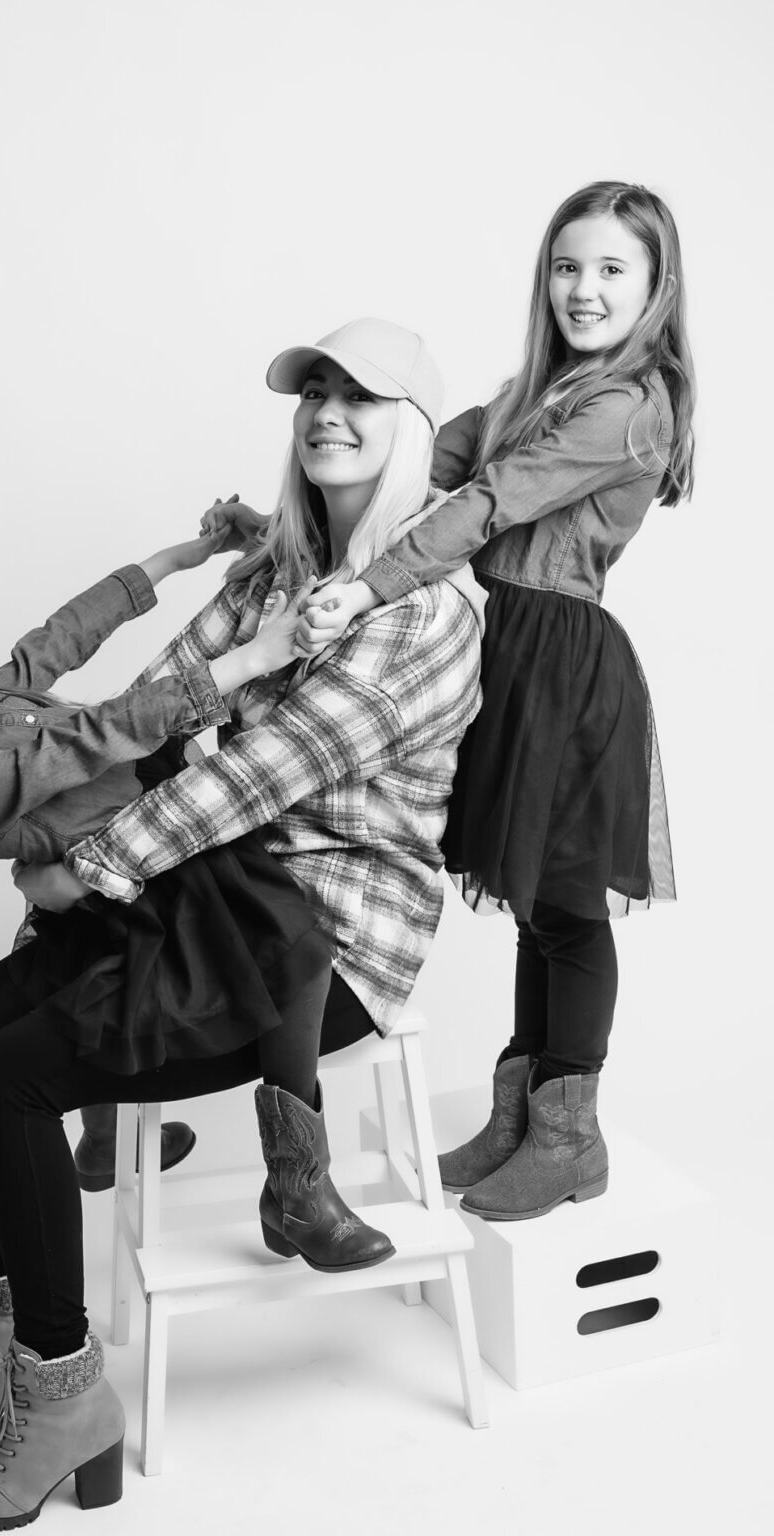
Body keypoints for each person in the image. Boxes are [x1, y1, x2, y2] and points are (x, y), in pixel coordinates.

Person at [0, 317, 484, 1528]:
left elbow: (246, 773)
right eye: (312, 392)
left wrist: (89, 870)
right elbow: (155, 705)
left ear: (411, 435)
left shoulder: (424, 615)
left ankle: (67, 1398)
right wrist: (104, 834)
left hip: (313, 938)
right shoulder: (271, 575)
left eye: (359, 400)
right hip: (190, 899)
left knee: (12, 1077)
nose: (325, 412)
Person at [221, 183, 695, 1224]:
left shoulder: (623, 405)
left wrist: (372, 580)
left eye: (612, 269)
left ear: (656, 288)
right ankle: (522, 1108)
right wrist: (301, 514)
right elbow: (426, 458)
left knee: (566, 906)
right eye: (567, 265)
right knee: (534, 904)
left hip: (563, 664)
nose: (583, 288)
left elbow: (488, 500)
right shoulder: (540, 388)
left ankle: (571, 1133)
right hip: (512, 648)